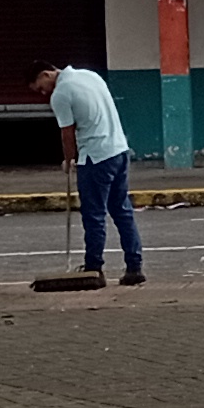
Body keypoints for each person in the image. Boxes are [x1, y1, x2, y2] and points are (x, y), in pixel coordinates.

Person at [32, 61, 144, 283]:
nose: (43, 93)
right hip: (119, 150)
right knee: (122, 211)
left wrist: (69, 160)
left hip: (95, 157)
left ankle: (94, 268)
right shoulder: (90, 76)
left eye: (40, 87)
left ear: (46, 74)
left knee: (94, 215)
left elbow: (67, 133)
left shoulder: (61, 94)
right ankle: (134, 267)